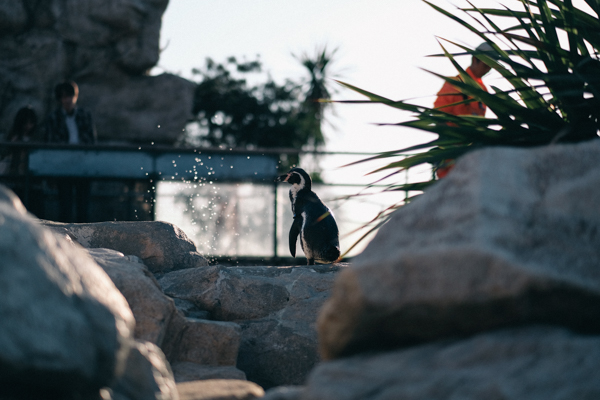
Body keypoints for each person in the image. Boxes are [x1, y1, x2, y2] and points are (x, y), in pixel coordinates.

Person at [432, 43, 494, 178]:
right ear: (474, 59)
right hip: (452, 158)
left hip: (472, 158)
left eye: (491, 66)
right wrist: (447, 145)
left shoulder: (483, 91)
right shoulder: (455, 83)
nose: (488, 69)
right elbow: (438, 117)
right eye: (486, 64)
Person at [44, 81, 97, 222]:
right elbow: (50, 143)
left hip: (83, 165)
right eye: (63, 97)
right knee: (65, 206)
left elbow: (91, 140)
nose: (67, 100)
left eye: (69, 96)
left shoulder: (85, 115)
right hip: (63, 166)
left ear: (75, 96)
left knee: (83, 207)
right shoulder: (54, 118)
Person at [1, 106, 38, 175]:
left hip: (28, 166)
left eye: (30, 123)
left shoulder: (35, 137)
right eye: (26, 123)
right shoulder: (12, 135)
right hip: (12, 165)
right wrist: (11, 144)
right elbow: (4, 152)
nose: (28, 126)